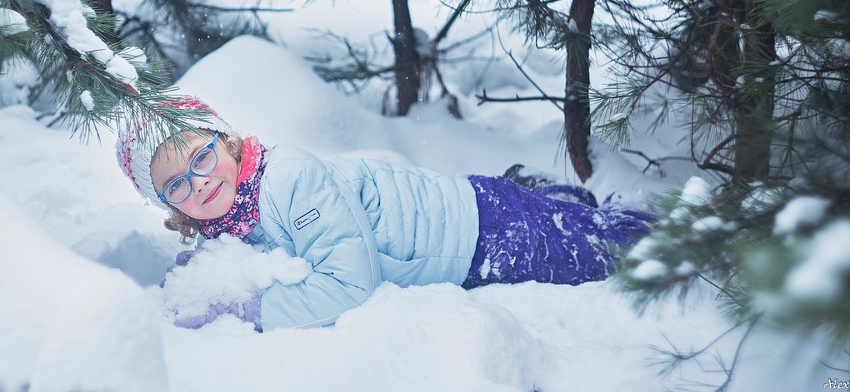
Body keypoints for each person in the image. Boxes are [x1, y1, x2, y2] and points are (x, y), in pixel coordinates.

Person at [116, 96, 651, 332]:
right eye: (176, 185)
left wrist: (252, 311)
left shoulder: (287, 177)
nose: (199, 182)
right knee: (560, 218)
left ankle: (662, 216)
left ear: (227, 143)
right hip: (467, 214)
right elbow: (205, 276)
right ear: (167, 205)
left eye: (202, 158)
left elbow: (351, 284)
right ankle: (547, 193)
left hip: (478, 230)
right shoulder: (225, 218)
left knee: (612, 250)